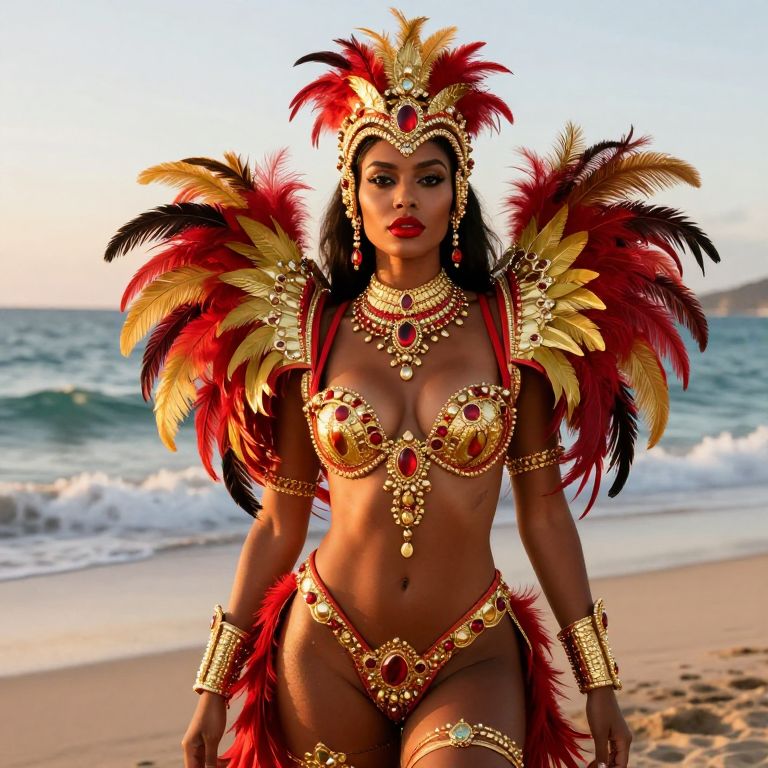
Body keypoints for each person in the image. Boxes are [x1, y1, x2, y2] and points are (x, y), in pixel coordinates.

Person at [104, 11, 720, 768]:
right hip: (323, 648)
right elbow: (278, 523)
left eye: (428, 178)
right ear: (354, 194)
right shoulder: (309, 329)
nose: (405, 199)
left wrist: (598, 677)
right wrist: (211, 684)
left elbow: (545, 511)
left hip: (470, 651)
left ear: (456, 194)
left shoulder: (513, 323)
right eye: (383, 178)